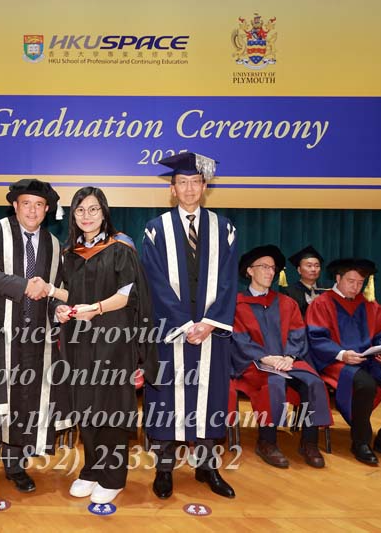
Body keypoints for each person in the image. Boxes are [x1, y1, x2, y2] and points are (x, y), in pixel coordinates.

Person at [0, 178, 68, 499]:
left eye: (39, 205)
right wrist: (23, 285)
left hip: (35, 340)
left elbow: (56, 289)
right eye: (26, 203)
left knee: (24, 403)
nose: (32, 210)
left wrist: (59, 308)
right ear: (15, 206)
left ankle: (16, 466)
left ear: (47, 210)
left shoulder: (54, 245)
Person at [141, 152, 238, 500]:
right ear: (172, 188)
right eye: (182, 182)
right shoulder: (156, 230)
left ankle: (207, 467)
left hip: (211, 331)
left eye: (196, 182)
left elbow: (228, 280)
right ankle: (164, 469)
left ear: (204, 186)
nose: (189, 188)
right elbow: (153, 282)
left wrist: (209, 323)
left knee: (209, 397)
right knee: (167, 398)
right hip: (171, 331)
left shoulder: (224, 229)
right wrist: (184, 323)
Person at [55, 187, 158, 505]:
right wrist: (60, 307)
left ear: (104, 213)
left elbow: (128, 295)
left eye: (93, 209)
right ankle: (91, 469)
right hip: (80, 341)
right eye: (80, 210)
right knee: (85, 404)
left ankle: (112, 476)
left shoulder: (120, 247)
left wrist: (96, 308)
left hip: (113, 339)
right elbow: (68, 292)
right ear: (73, 215)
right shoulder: (70, 253)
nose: (86, 216)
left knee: (110, 407)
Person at [306, 258, 381, 466]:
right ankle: (360, 441)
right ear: (338, 278)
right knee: (365, 384)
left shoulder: (369, 304)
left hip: (369, 361)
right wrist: (342, 354)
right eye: (351, 281)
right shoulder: (322, 303)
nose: (356, 287)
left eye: (360, 282)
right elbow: (316, 338)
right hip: (336, 363)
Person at [231, 244, 331, 469]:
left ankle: (309, 442)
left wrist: (290, 357)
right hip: (254, 364)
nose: (270, 272)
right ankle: (267, 442)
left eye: (273, 268)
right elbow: (238, 338)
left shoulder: (286, 303)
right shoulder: (237, 304)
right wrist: (265, 358)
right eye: (264, 267)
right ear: (249, 271)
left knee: (313, 383)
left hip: (288, 361)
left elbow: (297, 332)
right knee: (273, 382)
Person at [280, 245, 330, 317]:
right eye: (309, 266)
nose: (313, 269)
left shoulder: (326, 292)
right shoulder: (289, 293)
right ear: (299, 270)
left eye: (317, 266)